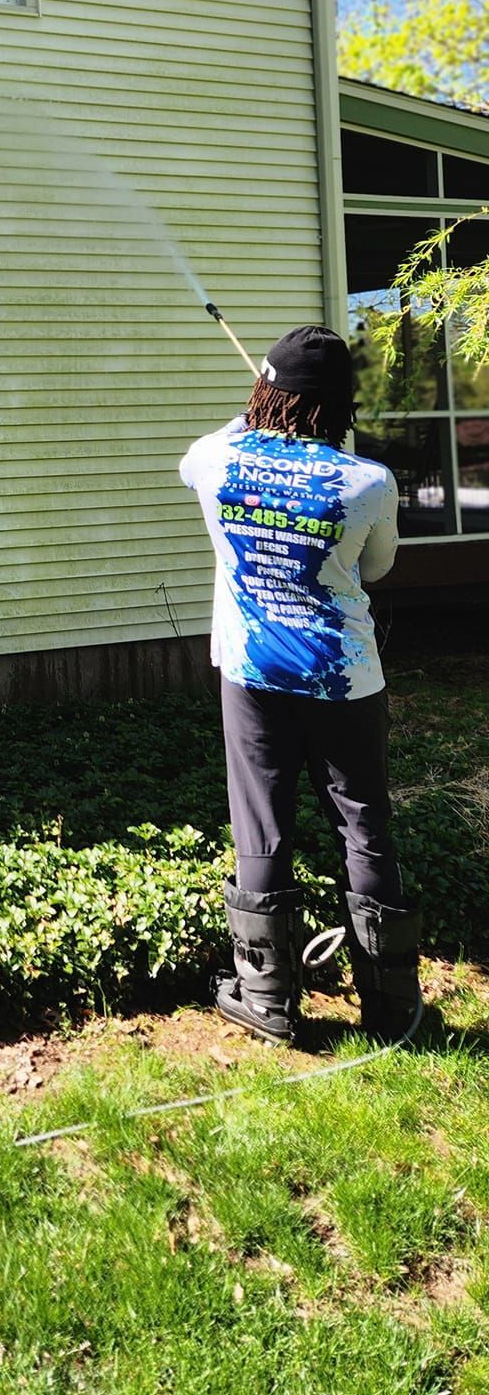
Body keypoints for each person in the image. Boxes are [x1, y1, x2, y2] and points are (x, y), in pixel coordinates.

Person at [179, 324, 421, 1046]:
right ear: (342, 404)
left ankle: (269, 1000)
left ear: (263, 389)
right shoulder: (369, 482)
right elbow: (375, 571)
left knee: (262, 823)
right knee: (363, 826)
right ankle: (390, 1007)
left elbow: (218, 441)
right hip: (344, 678)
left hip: (252, 673)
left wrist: (255, 407)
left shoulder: (213, 459)